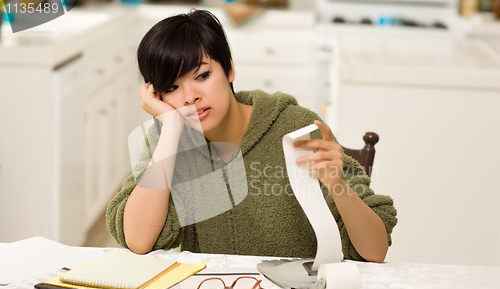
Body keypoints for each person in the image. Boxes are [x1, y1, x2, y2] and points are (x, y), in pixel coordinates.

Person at [106, 9, 397, 263]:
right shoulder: (169, 137)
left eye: (202, 76)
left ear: (230, 69)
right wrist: (169, 131)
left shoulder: (294, 126)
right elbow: (138, 240)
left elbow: (375, 251)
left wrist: (337, 183)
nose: (189, 98)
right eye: (171, 88)